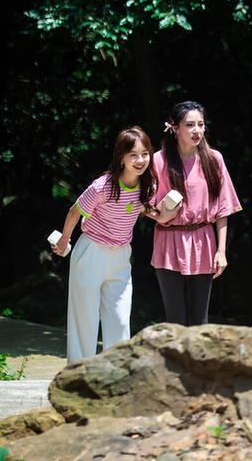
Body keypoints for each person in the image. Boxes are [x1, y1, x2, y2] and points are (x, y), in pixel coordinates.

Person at [52, 126, 178, 363]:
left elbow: (158, 216)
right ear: (121, 157)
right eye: (133, 155)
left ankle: (117, 374)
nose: (140, 160)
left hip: (120, 256)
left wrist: (171, 210)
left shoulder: (147, 186)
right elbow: (74, 212)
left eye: (145, 154)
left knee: (120, 320)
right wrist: (64, 240)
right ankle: (78, 375)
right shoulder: (103, 186)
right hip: (91, 252)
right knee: (85, 320)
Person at [151, 101, 242, 326]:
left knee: (200, 320)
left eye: (200, 124)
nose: (197, 130)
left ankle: (198, 363)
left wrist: (221, 251)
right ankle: (175, 362)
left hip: (203, 241)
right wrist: (159, 216)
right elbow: (144, 203)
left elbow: (223, 208)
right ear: (174, 128)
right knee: (175, 320)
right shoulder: (158, 160)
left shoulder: (214, 159)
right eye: (189, 125)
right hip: (168, 240)